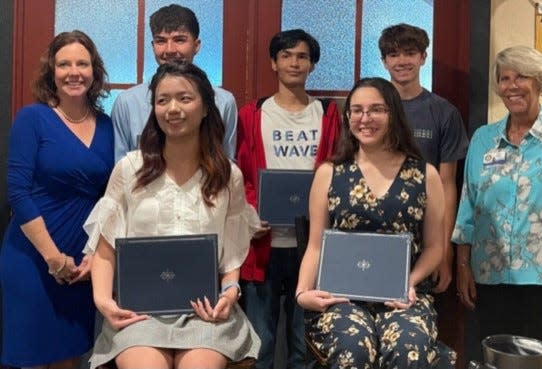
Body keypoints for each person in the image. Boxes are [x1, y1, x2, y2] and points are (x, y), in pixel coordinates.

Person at [84, 62, 261, 369]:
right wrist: (104, 301)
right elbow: (104, 247)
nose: (172, 108)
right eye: (162, 100)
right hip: (140, 312)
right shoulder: (130, 169)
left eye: (185, 98)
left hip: (204, 311)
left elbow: (231, 252)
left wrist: (230, 291)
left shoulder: (226, 175)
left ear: (206, 106)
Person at [296, 77, 455, 369]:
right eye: (356, 110)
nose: (365, 118)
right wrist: (303, 292)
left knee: (408, 348)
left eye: (376, 110)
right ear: (348, 117)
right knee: (353, 348)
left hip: (404, 295)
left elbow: (435, 246)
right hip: (341, 296)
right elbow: (316, 244)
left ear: (393, 114)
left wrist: (409, 282)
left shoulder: (425, 174)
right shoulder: (329, 173)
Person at [452, 45, 542, 369]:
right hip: (490, 276)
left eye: (520, 76)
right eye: (504, 78)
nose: (511, 86)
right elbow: (469, 202)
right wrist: (463, 264)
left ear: (538, 81)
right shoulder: (484, 138)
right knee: (496, 359)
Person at [0, 30, 113, 368]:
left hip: (81, 263)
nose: (73, 71)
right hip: (33, 257)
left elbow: (110, 196)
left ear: (94, 71)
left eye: (82, 63)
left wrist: (95, 256)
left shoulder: (106, 125)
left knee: (69, 356)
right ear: (52, 71)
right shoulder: (32, 118)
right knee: (31, 356)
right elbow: (17, 191)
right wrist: (53, 258)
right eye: (64, 64)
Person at [235, 29, 340, 369]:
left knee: (304, 345)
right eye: (286, 55)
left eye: (302, 56)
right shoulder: (252, 114)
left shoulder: (328, 114)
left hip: (312, 248)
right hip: (263, 245)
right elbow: (242, 175)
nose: (294, 62)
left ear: (312, 65)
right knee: (260, 344)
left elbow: (338, 172)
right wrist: (251, 213)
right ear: (273, 63)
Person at [379, 23, 468, 293]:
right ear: (384, 62)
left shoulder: (443, 113)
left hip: (424, 236)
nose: (402, 61)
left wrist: (444, 250)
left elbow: (447, 184)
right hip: (375, 230)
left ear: (423, 57)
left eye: (410, 52)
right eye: (394, 54)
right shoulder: (369, 110)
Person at [111, 3, 237, 161]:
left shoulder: (224, 102)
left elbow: (226, 165)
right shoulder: (127, 103)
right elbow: (121, 169)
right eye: (161, 41)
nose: (169, 50)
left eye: (179, 40)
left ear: (196, 45)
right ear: (153, 46)